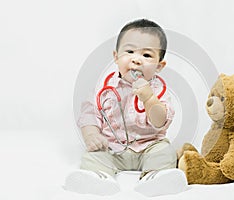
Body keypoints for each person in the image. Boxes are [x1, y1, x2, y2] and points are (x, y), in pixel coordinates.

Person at [64, 19, 187, 197]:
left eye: (146, 55)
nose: (136, 60)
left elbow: (160, 122)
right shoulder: (104, 88)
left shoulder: (159, 91)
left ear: (159, 66)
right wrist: (92, 135)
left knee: (164, 152)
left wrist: (149, 98)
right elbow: (90, 114)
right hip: (112, 147)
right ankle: (98, 178)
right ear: (116, 56)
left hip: (149, 146)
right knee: (94, 155)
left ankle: (156, 177)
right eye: (129, 51)